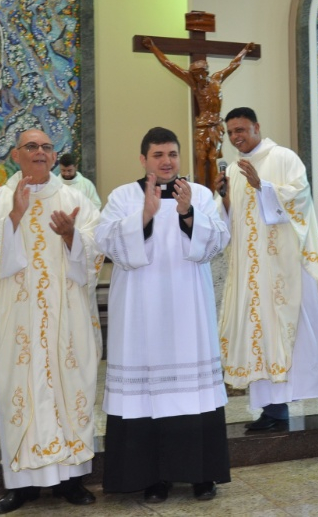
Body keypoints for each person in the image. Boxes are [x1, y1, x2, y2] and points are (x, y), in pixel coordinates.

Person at [0, 128, 104, 513]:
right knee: (19, 390)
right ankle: (21, 485)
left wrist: (74, 236)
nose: (39, 152)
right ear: (16, 154)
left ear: (54, 154)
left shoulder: (77, 199)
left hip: (67, 318)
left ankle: (73, 479)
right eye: (31, 146)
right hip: (18, 321)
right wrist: (13, 217)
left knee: (69, 385)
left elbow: (95, 252)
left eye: (46, 147)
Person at [96, 127, 230, 502]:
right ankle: (153, 477)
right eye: (158, 155)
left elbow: (218, 240)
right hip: (141, 312)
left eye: (172, 153)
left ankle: (202, 475)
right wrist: (143, 216)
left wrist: (188, 213)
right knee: (147, 395)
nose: (166, 161)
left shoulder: (199, 194)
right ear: (143, 159)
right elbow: (105, 241)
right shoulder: (124, 196)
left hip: (189, 308)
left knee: (194, 394)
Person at [217, 107, 318, 431]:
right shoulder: (233, 170)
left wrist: (263, 186)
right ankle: (274, 412)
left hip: (288, 269)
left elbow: (300, 200)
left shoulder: (284, 158)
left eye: (242, 129)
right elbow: (230, 224)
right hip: (254, 275)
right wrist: (224, 198)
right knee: (262, 338)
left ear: (257, 127)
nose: (236, 137)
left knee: (304, 336)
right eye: (231, 132)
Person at [142, 37, 254, 191]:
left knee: (213, 158)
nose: (199, 77)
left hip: (215, 125)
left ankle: (214, 193)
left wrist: (245, 51)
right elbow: (169, 65)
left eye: (202, 73)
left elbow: (233, 65)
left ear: (206, 71)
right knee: (201, 159)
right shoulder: (194, 83)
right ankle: (201, 189)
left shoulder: (216, 79)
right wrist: (153, 47)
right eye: (196, 74)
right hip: (202, 126)